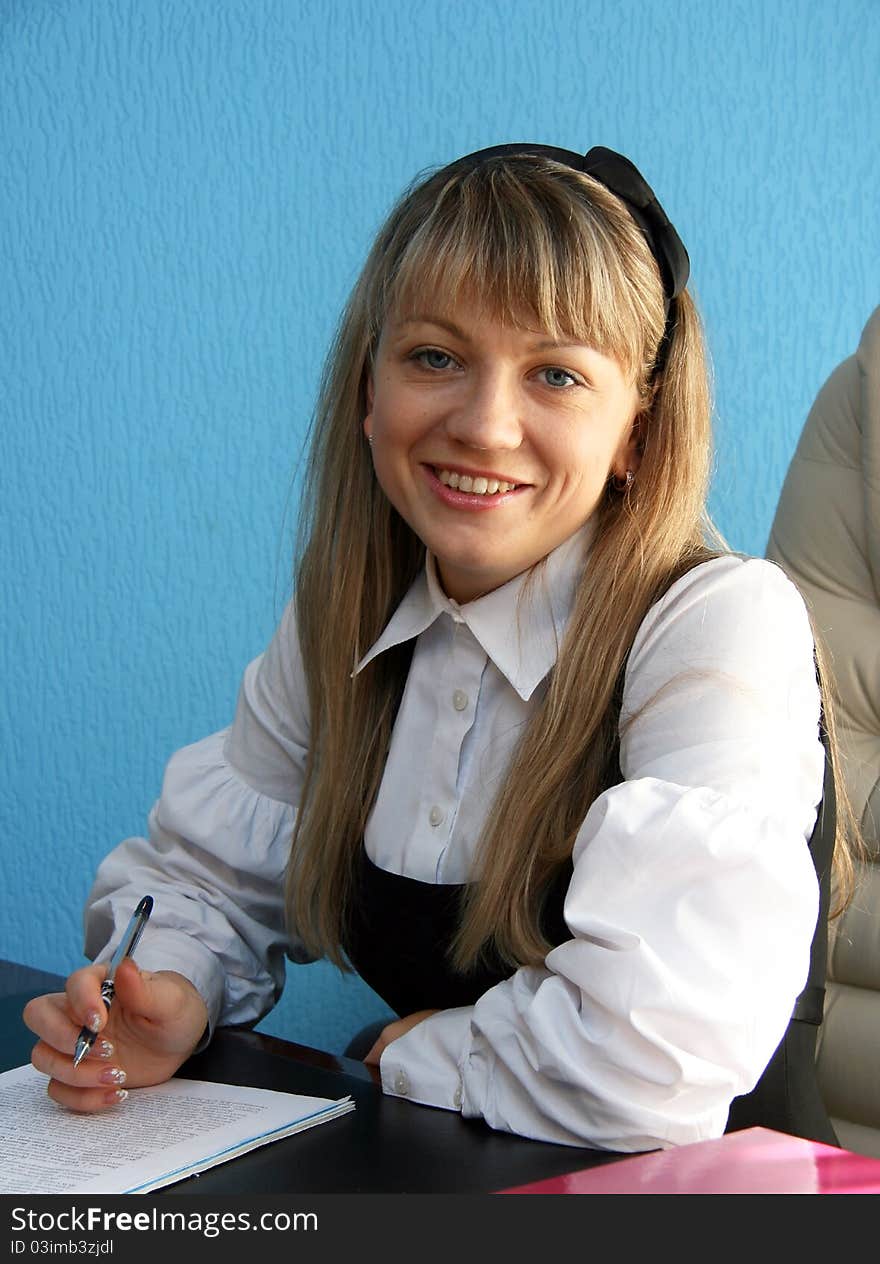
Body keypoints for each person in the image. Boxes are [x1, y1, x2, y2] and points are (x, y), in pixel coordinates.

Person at [23, 143, 861, 1153]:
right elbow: (207, 883)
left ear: (635, 430)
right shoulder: (343, 615)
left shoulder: (718, 620)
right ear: (368, 390)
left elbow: (652, 1059)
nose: (483, 423)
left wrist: (402, 1055)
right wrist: (166, 995)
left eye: (554, 373)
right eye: (434, 358)